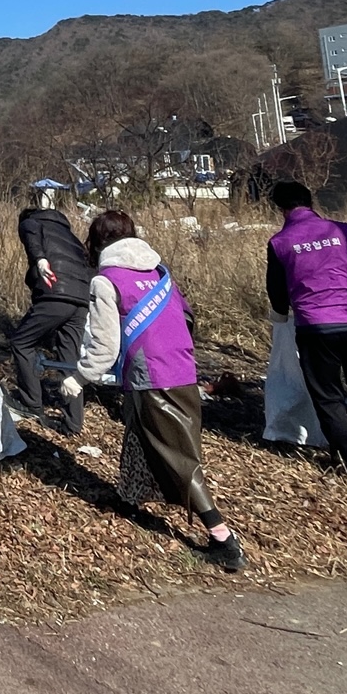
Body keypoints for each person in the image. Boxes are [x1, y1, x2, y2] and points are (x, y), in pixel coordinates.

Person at [68, 208, 244, 572]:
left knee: (178, 457)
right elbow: (189, 318)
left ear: (96, 242)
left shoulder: (106, 281)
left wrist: (78, 378)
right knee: (138, 430)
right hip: (181, 367)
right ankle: (130, 496)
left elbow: (104, 346)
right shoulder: (161, 273)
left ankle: (223, 538)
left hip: (153, 376)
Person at [264, 180, 347, 474]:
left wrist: (282, 312)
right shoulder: (343, 231)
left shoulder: (280, 242)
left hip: (315, 327)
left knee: (327, 394)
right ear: (310, 202)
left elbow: (276, 293)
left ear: (282, 209)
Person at [10, 187, 92, 432]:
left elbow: (33, 240)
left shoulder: (31, 222)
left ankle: (31, 402)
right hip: (82, 299)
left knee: (22, 342)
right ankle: (73, 422)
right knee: (70, 359)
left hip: (56, 292)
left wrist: (39, 259)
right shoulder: (70, 235)